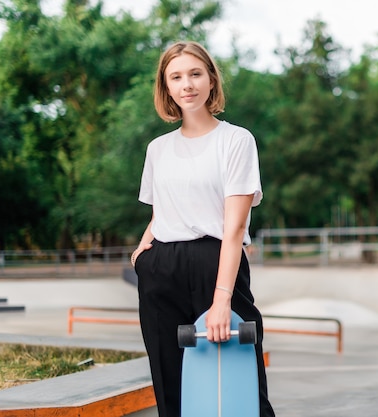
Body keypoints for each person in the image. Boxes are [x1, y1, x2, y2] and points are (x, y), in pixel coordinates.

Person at [130, 40, 275, 417]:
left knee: (243, 388)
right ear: (166, 87)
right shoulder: (157, 149)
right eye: (176, 77)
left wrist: (221, 300)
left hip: (217, 261)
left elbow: (234, 227)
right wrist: (144, 250)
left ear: (211, 80)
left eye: (195, 74)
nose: (187, 85)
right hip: (162, 267)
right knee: (170, 384)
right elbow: (163, 207)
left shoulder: (236, 140)